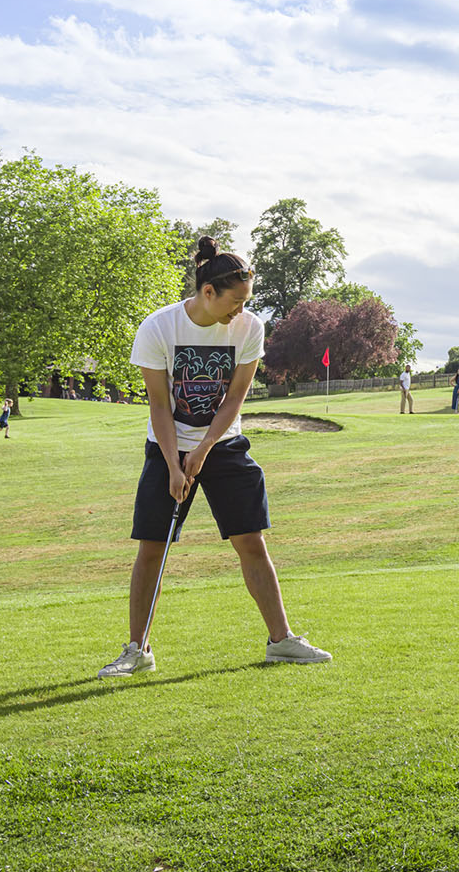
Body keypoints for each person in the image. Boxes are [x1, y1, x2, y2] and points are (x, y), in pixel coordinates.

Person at [98, 237, 331, 678]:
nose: (240, 311)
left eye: (247, 301)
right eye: (234, 301)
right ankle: (137, 649)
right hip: (167, 446)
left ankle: (281, 641)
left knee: (251, 540)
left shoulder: (249, 328)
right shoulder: (158, 328)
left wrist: (203, 450)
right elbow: (159, 406)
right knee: (153, 547)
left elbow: (235, 399)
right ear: (208, 292)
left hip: (223, 445)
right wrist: (172, 464)